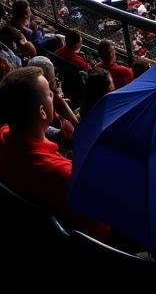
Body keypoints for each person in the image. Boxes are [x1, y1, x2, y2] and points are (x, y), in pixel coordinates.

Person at [0, 67, 107, 236]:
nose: (55, 96)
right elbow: (101, 229)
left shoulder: (3, 134)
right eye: (50, 94)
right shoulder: (64, 174)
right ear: (42, 112)